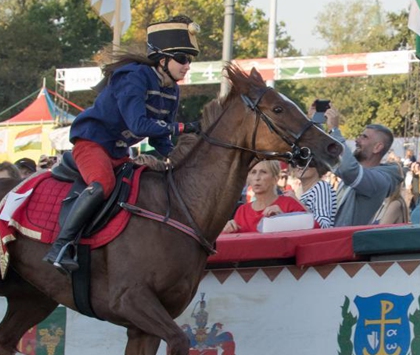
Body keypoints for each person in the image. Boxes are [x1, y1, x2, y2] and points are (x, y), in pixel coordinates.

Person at [44, 15, 202, 272]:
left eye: (190, 60)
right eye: (182, 59)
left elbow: (161, 140)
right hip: (91, 144)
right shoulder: (134, 77)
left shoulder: (172, 90)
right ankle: (62, 246)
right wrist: (183, 127)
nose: (187, 66)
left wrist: (184, 157)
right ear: (162, 59)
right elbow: (140, 125)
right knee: (103, 184)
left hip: (118, 152)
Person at [322, 107, 403, 227]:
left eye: (364, 137)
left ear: (378, 147)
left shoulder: (380, 180)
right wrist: (316, 123)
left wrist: (334, 130)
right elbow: (326, 154)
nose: (357, 140)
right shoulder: (359, 173)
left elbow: (348, 169)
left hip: (347, 244)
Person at [222, 161, 306, 234]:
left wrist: (283, 220)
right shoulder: (242, 211)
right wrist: (228, 229)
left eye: (263, 172)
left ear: (275, 179)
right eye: (253, 172)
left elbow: (313, 227)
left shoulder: (289, 204)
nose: (257, 178)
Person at [288, 160, 337, 229]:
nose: (299, 166)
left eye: (304, 162)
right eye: (295, 162)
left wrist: (296, 203)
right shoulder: (299, 191)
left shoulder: (321, 186)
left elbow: (324, 225)